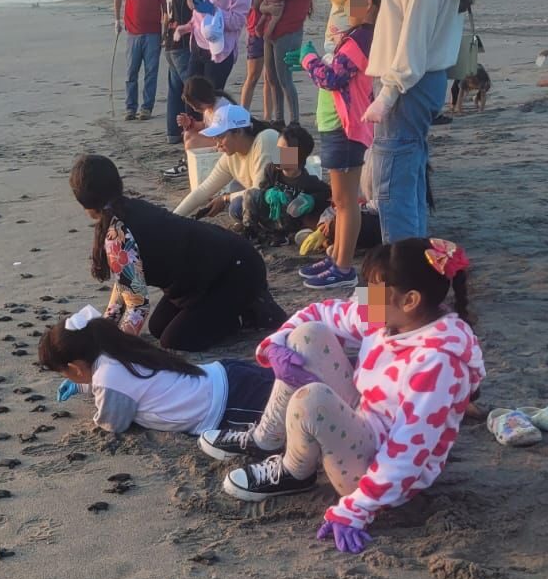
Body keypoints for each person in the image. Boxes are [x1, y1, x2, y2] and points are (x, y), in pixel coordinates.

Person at [202, 237, 485, 554]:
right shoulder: (394, 317)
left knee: (311, 399)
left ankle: (294, 471)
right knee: (307, 335)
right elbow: (321, 313)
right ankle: (266, 437)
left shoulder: (438, 363)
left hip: (379, 471)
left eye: (374, 289)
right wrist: (275, 344)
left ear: (410, 300)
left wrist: (355, 510)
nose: (364, 297)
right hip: (366, 421)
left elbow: (408, 452)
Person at [364, 0, 475, 243]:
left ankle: (399, 294)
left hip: (408, 86)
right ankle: (415, 283)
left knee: (392, 191)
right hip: (412, 83)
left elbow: (416, 29)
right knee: (403, 185)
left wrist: (389, 92)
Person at [69, 154, 287, 350]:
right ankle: (228, 309)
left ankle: (249, 310)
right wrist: (109, 327)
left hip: (235, 270)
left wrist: (116, 352)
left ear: (83, 202)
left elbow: (137, 306)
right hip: (204, 276)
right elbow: (126, 282)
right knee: (158, 327)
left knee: (175, 340)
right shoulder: (126, 208)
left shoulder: (118, 232)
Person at [295, 0, 386, 290]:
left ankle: (344, 266)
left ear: (371, 4)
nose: (348, 6)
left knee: (346, 201)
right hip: (338, 125)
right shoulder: (360, 34)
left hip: (346, 128)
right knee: (341, 199)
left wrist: (308, 59)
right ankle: (338, 258)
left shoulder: (363, 37)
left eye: (354, 1)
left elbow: (331, 78)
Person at [39, 314, 275, 436]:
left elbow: (113, 423)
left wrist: (92, 390)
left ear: (75, 367)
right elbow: (130, 383)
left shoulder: (107, 378)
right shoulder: (115, 349)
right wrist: (82, 386)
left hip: (228, 404)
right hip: (224, 374)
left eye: (66, 374)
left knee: (296, 404)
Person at [173, 103, 281, 220]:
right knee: (237, 195)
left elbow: (259, 190)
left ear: (239, 131)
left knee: (237, 205)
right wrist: (172, 218)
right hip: (272, 200)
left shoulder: (267, 138)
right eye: (215, 137)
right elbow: (204, 190)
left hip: (296, 196)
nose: (217, 143)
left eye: (220, 136)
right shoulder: (231, 156)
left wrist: (225, 198)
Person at [236, 124, 330, 245]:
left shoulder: (308, 180)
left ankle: (283, 236)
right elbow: (263, 187)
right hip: (268, 216)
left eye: (283, 151)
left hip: (290, 224)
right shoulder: (271, 169)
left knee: (288, 198)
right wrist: (267, 194)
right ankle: (251, 231)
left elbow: (326, 192)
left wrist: (310, 200)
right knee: (250, 194)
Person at [259, 0, 315, 126]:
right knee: (272, 78)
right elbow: (260, 5)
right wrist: (266, 4)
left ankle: (295, 121)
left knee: (284, 79)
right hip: (272, 33)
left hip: (288, 33)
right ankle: (279, 118)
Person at [114, 0, 169, 121]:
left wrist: (165, 31)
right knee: (131, 72)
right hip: (133, 33)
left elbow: (165, 9)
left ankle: (146, 108)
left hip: (153, 33)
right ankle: (130, 108)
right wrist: (117, 20)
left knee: (151, 72)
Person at [161, 74, 239, 181]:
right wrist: (190, 124)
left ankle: (190, 166)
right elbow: (207, 125)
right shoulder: (211, 105)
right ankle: (189, 163)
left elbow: (223, 133)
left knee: (192, 142)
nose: (195, 109)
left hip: (230, 141)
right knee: (189, 134)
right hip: (221, 138)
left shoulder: (221, 108)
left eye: (196, 106)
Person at [163, 0, 203, 144]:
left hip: (170, 42)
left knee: (174, 89)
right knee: (191, 88)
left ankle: (173, 132)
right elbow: (191, 2)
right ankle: (194, 130)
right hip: (182, 42)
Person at [238, 0, 266, 113]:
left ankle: (269, 114)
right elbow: (253, 3)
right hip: (254, 32)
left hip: (270, 31)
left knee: (270, 77)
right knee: (253, 75)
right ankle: (243, 111)